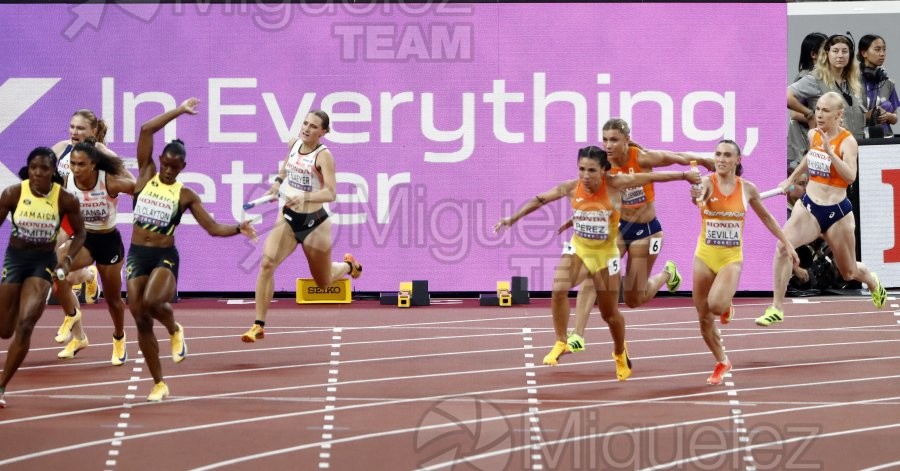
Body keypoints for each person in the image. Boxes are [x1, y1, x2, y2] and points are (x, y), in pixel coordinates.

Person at [494, 146, 700, 381]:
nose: (585, 175)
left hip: (605, 256)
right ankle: (562, 341)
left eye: (591, 170)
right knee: (559, 289)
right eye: (581, 169)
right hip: (579, 250)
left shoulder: (616, 184)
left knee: (609, 314)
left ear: (604, 171)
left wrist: (684, 176)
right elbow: (541, 199)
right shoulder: (572, 187)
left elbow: (651, 177)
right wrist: (512, 218)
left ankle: (620, 352)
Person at [129, 98, 257, 402]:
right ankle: (158, 383)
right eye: (166, 164)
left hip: (163, 257)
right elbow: (146, 129)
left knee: (149, 301)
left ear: (183, 166)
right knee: (140, 317)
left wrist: (239, 228)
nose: (170, 170)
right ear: (159, 159)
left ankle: (174, 328)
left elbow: (212, 228)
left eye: (176, 167)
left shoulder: (185, 194)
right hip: (136, 254)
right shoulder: (145, 175)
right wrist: (180, 111)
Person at [564, 118, 716, 354]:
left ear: (626, 139)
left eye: (614, 139)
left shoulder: (642, 157)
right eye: (605, 140)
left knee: (633, 298)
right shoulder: (602, 165)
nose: (608, 145)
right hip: (618, 229)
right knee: (593, 276)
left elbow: (677, 156)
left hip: (646, 232)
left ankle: (667, 273)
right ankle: (578, 334)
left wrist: (706, 160)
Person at [756, 91, 886, 327]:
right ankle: (776, 307)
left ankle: (871, 279)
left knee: (848, 273)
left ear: (839, 114)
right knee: (782, 247)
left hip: (837, 214)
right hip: (810, 208)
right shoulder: (813, 133)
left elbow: (850, 177)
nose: (819, 114)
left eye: (825, 110)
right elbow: (808, 157)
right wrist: (791, 179)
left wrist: (830, 153)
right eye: (817, 109)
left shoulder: (848, 142)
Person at [240, 110, 362, 343]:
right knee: (266, 264)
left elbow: (331, 193)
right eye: (305, 123)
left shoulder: (324, 156)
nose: (306, 128)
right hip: (287, 217)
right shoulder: (294, 143)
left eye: (314, 126)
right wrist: (277, 185)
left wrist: (306, 198)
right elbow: (287, 166)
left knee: (323, 281)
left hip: (315, 223)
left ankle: (349, 266)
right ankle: (258, 324)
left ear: (323, 132)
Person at [690, 140, 799, 385]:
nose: (721, 159)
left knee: (716, 306)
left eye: (727, 155)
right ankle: (722, 361)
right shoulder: (706, 183)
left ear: (737, 160)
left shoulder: (747, 189)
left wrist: (788, 243)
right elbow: (698, 197)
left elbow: (767, 217)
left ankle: (726, 304)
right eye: (718, 154)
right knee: (703, 317)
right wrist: (696, 195)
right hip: (704, 255)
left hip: (730, 257)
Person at [0, 147, 86, 408]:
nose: (38, 173)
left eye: (45, 168)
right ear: (29, 169)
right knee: (4, 330)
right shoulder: (14, 193)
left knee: (25, 324)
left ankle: (2, 386)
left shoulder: (65, 200)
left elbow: (80, 234)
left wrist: (68, 258)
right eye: (34, 167)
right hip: (15, 260)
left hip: (43, 264)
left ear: (53, 172)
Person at [53, 140, 135, 365]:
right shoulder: (67, 180)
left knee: (113, 300)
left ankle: (119, 338)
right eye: (72, 163)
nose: (76, 169)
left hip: (108, 242)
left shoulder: (109, 182)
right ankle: (72, 315)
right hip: (84, 239)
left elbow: (136, 188)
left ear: (93, 165)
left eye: (81, 164)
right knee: (56, 273)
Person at [51, 109, 116, 306]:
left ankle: (87, 276)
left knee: (68, 270)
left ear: (94, 131)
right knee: (50, 253)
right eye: (72, 127)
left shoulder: (102, 155)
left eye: (80, 128)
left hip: (90, 215)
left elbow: (121, 178)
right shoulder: (62, 148)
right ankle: (88, 276)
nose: (74, 132)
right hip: (63, 213)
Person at [788, 34, 866, 167]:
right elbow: (786, 95)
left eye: (844, 51)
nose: (840, 55)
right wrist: (809, 114)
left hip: (853, 150)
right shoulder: (815, 79)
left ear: (850, 55)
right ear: (827, 54)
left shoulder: (853, 81)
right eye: (835, 51)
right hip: (827, 152)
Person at [858, 34, 899, 137]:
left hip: (886, 138)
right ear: (864, 53)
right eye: (877, 49)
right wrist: (870, 115)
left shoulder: (887, 82)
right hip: (860, 139)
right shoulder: (851, 82)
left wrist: (889, 116)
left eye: (884, 50)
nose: (882, 54)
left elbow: (895, 118)